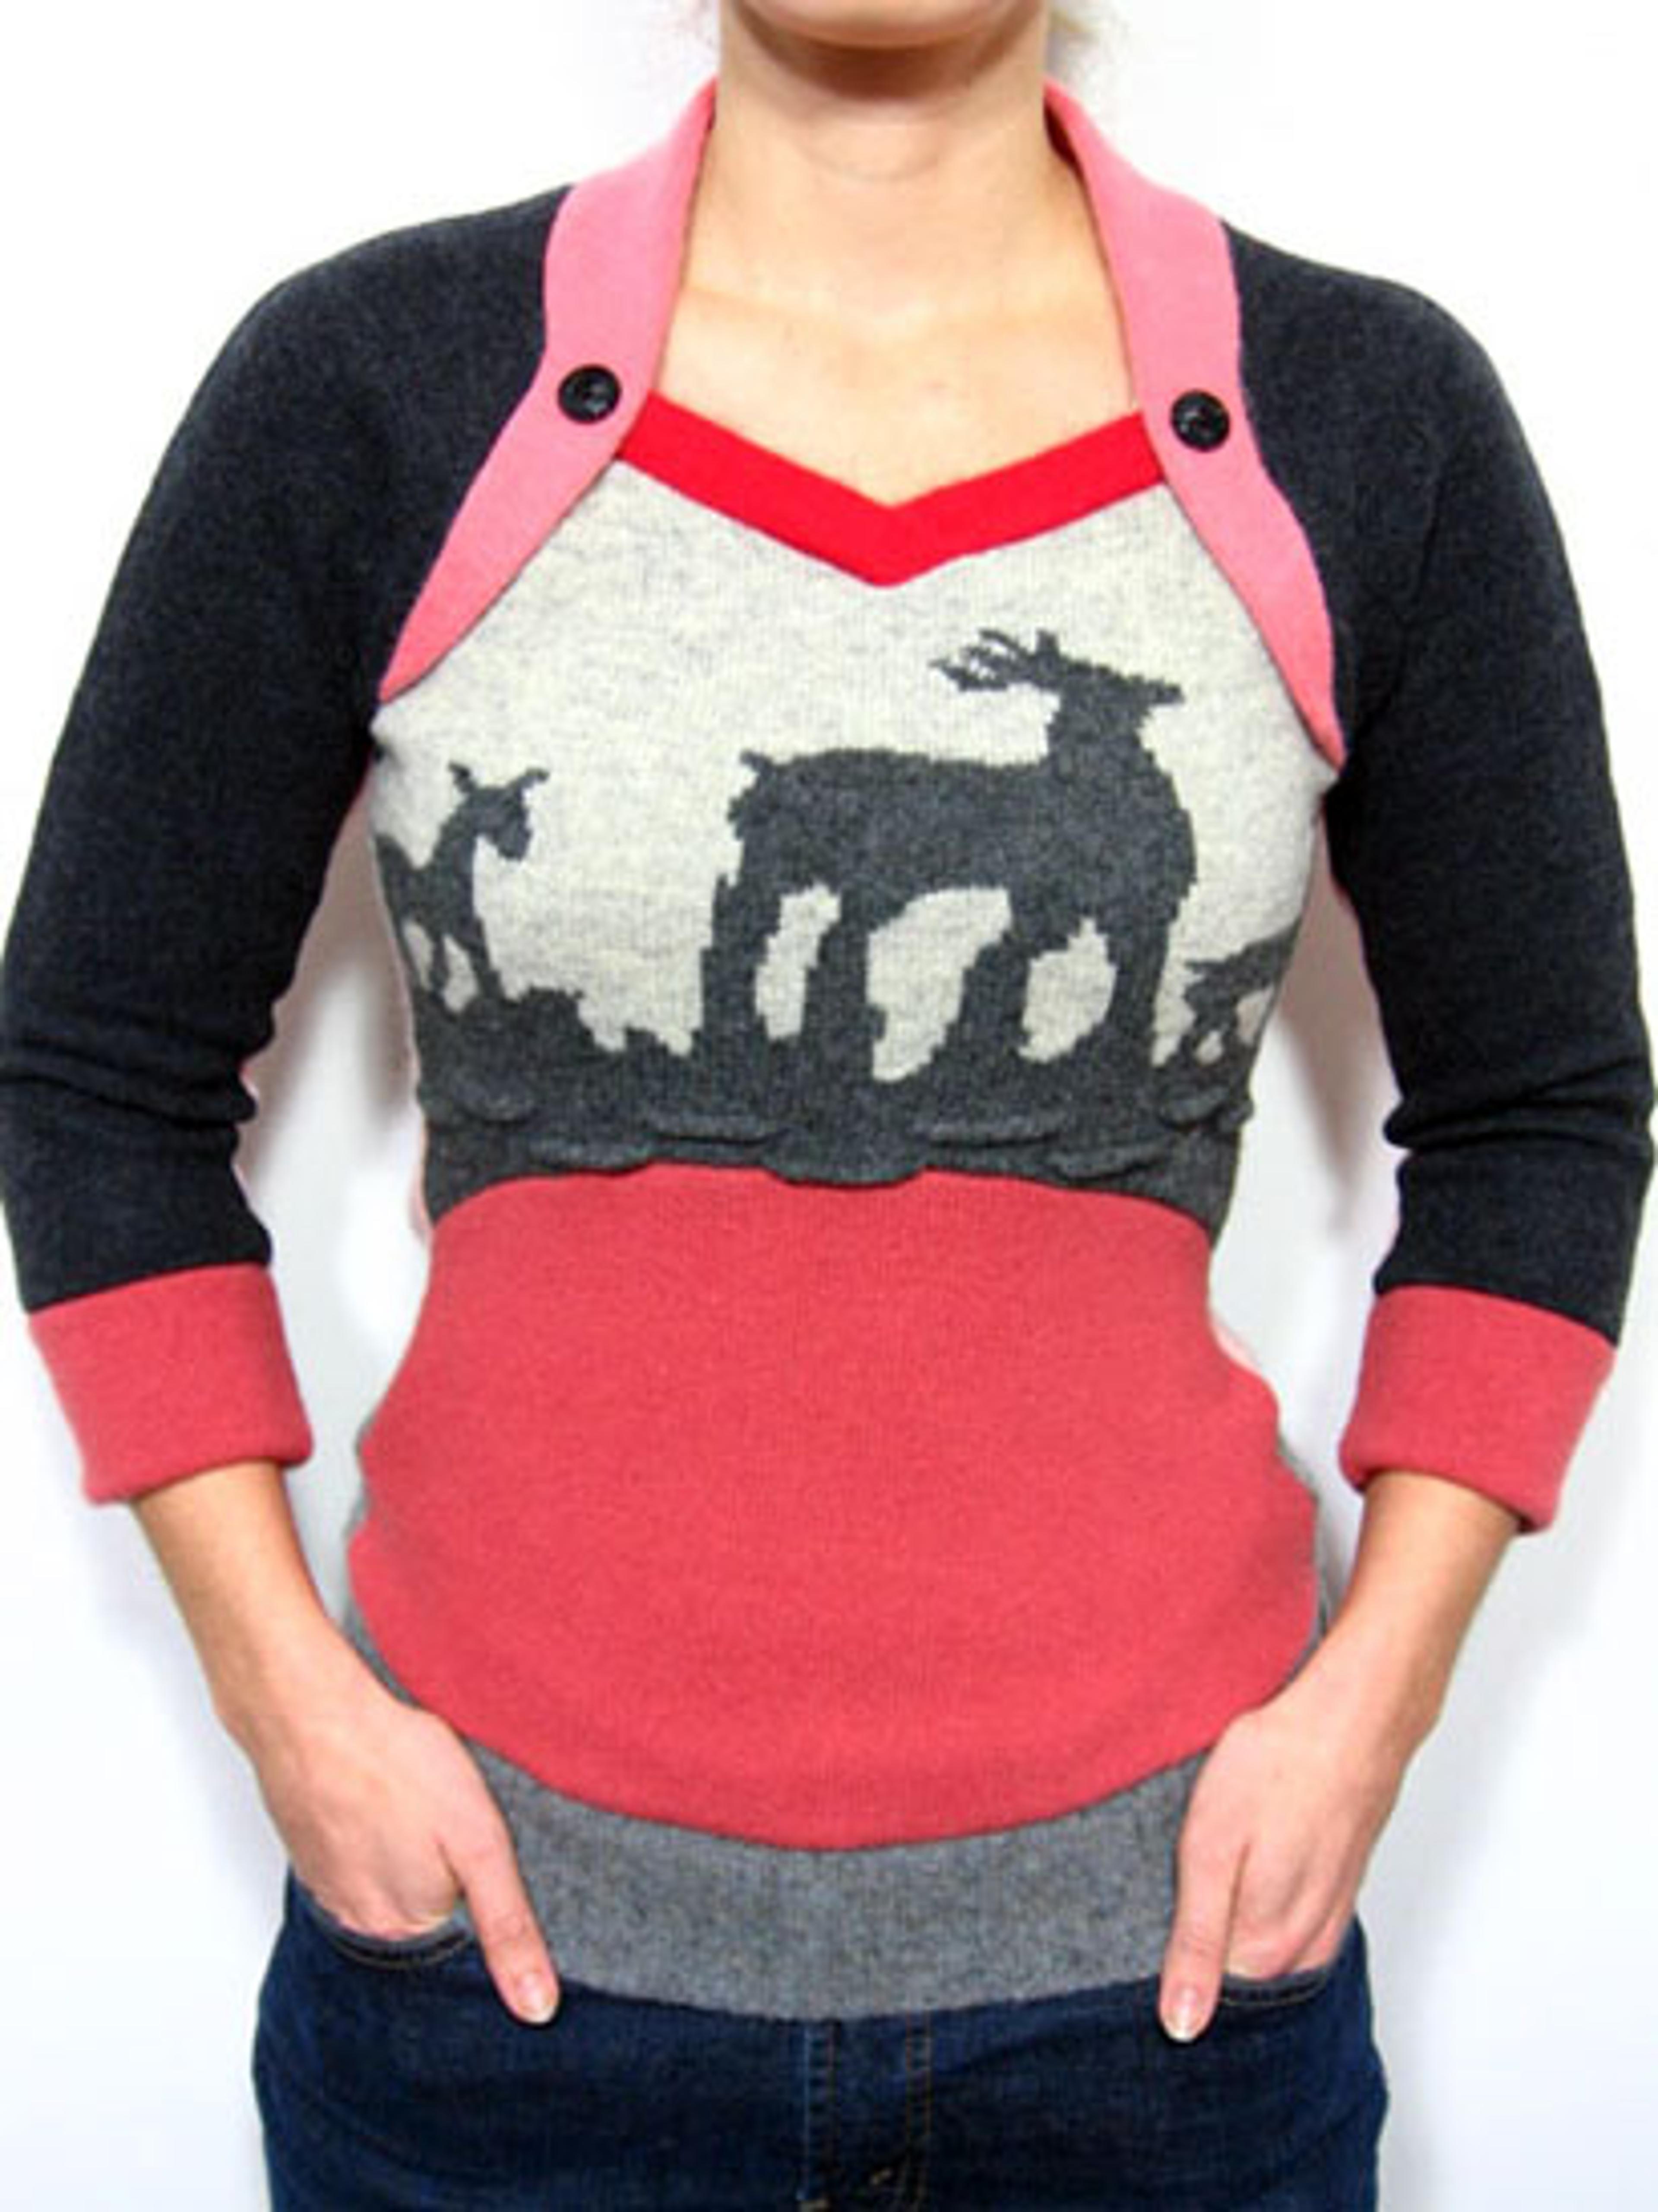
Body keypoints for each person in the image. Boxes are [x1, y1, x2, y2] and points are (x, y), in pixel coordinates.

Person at [0, 1, 1649, 2204]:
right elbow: (95, 1069)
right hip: (495, 2001)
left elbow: (1542, 1108)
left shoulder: (1363, 414)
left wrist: (1379, 1707)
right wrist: (282, 1696)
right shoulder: (377, 385)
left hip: (1160, 2005)